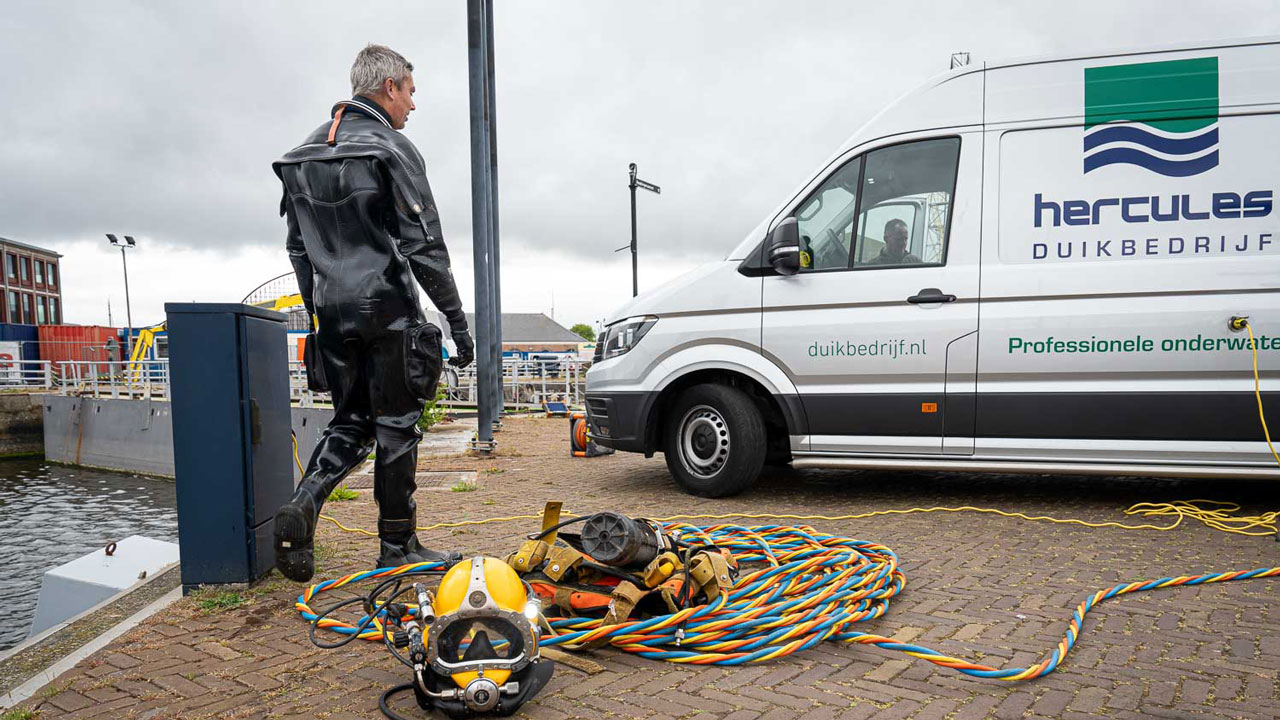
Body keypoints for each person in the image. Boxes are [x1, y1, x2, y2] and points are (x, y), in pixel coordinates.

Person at [270, 44, 474, 582]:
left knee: (350, 422)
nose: (413, 104)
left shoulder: (302, 155)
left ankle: (305, 500)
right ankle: (397, 545)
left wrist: (318, 306)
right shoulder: (392, 147)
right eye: (410, 91)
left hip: (331, 310)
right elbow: (424, 246)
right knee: (397, 426)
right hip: (387, 307)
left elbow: (297, 247)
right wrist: (457, 324)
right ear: (389, 88)